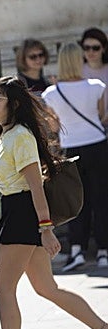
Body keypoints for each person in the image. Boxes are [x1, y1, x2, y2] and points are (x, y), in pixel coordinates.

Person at [0, 75, 108, 329]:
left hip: (23, 213)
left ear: (14, 104)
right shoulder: (7, 134)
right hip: (17, 211)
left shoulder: (20, 136)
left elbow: (35, 186)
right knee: (46, 288)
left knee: (4, 288)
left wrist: (46, 229)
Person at [41, 42, 108, 271]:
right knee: (101, 200)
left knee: (75, 201)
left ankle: (77, 249)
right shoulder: (96, 86)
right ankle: (103, 251)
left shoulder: (52, 93)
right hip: (98, 144)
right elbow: (100, 115)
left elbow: (53, 124)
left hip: (70, 148)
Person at [80, 27, 108, 119]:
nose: (90, 52)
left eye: (95, 48)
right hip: (87, 125)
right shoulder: (77, 72)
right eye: (86, 48)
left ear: (103, 49)